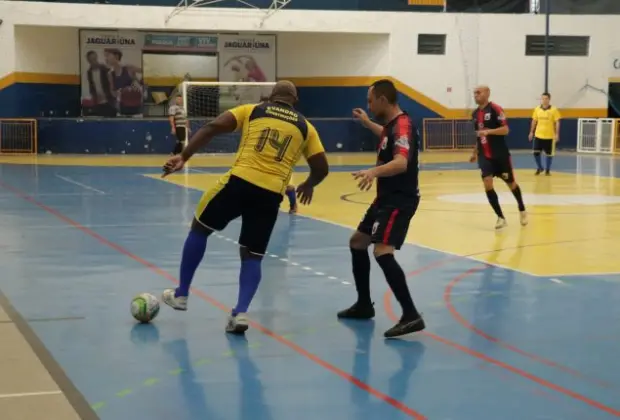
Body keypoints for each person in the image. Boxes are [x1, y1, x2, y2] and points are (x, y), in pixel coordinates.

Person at [160, 81, 329, 334]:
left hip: (239, 183)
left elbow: (212, 127)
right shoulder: (306, 128)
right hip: (271, 194)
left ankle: (182, 294)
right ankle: (240, 313)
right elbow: (322, 168)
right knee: (253, 254)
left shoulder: (252, 110)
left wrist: (184, 156)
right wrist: (308, 184)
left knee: (200, 228)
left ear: (271, 96)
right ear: (295, 101)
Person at [337, 79, 425, 338]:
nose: (369, 104)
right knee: (357, 242)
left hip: (400, 198)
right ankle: (364, 305)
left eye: (370, 100)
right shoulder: (391, 127)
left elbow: (400, 163)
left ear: (383, 100)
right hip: (385, 199)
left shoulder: (403, 125)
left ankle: (411, 314)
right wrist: (367, 123)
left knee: (382, 251)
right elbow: (387, 138)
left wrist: (373, 171)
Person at [469, 85, 528, 229]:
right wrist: (475, 152)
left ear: (487, 93)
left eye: (479, 92)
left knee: (511, 184)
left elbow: (505, 129)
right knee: (487, 183)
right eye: (474, 93)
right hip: (485, 156)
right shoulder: (475, 114)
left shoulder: (495, 109)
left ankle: (522, 209)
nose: (476, 95)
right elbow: (478, 136)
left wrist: (489, 132)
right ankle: (501, 217)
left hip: (500, 155)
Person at [528, 92, 561, 176]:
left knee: (549, 154)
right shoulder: (537, 109)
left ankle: (547, 170)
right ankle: (540, 167)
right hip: (538, 135)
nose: (544, 100)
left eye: (546, 99)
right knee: (536, 153)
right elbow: (534, 121)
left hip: (549, 136)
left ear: (549, 99)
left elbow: (557, 122)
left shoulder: (554, 110)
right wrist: (531, 132)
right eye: (543, 99)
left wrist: (557, 134)